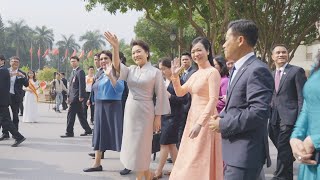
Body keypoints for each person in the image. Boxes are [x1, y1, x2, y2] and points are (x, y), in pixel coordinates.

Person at [209, 19, 274, 180]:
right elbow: (237, 105)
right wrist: (222, 115)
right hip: (237, 152)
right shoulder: (238, 69)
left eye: (226, 39)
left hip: (245, 153)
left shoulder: (257, 70)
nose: (223, 45)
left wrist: (223, 124)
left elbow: (258, 113)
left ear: (240, 40)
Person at [104, 32, 170, 180]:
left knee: (142, 149)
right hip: (130, 112)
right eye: (133, 53)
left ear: (147, 53)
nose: (136, 55)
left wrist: (158, 117)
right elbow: (116, 66)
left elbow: (161, 96)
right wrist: (115, 47)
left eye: (139, 51)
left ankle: (139, 177)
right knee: (133, 148)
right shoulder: (131, 69)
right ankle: (147, 176)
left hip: (146, 113)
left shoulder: (156, 72)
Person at [169, 37, 223, 180]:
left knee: (200, 158)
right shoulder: (195, 74)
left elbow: (213, 100)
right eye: (193, 51)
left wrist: (200, 123)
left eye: (199, 50)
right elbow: (180, 92)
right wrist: (174, 77)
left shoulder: (212, 72)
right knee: (189, 156)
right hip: (192, 118)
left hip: (205, 120)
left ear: (208, 51)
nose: (195, 54)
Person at [269, 44, 307, 180]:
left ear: (288, 55)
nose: (281, 55)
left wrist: (300, 121)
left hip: (290, 118)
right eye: (278, 53)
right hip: (274, 118)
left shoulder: (296, 71)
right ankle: (288, 174)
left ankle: (278, 177)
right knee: (284, 149)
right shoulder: (271, 74)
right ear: (272, 56)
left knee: (284, 147)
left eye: (284, 52)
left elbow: (302, 97)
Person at [83, 50, 125, 172]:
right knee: (99, 134)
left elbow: (120, 89)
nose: (103, 61)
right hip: (99, 106)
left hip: (113, 106)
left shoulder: (116, 71)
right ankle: (97, 164)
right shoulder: (100, 73)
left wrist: (111, 76)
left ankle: (128, 164)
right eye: (101, 59)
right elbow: (95, 88)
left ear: (112, 60)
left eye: (106, 58)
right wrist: (91, 99)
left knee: (118, 134)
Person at [154, 57, 187, 178]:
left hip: (174, 117)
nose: (161, 71)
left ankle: (158, 171)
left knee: (164, 143)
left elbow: (184, 99)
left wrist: (170, 96)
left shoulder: (178, 81)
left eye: (163, 69)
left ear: (170, 68)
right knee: (172, 145)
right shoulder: (163, 82)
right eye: (160, 69)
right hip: (164, 116)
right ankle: (178, 170)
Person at [290, 52, 320, 180]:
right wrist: (296, 137)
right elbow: (309, 104)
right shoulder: (316, 65)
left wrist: (316, 139)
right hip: (312, 159)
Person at [60, 56, 92, 138]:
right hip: (72, 96)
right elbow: (71, 86)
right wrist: (68, 97)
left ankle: (69, 132)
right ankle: (88, 130)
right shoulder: (73, 72)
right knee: (80, 115)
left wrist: (81, 96)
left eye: (74, 61)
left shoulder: (80, 71)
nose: (72, 63)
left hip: (77, 97)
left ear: (78, 62)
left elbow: (82, 84)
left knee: (70, 114)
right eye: (71, 61)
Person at [0, 54, 26, 147]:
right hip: (4, 99)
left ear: (2, 61)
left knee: (7, 119)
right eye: (13, 61)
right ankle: (8, 134)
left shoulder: (2, 70)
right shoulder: (4, 71)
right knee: (3, 119)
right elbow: (11, 74)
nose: (14, 63)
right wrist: (16, 73)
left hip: (4, 100)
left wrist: (21, 75)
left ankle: (18, 136)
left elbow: (13, 74)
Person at [177, 52, 197, 149]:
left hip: (189, 105)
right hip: (181, 105)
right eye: (183, 60)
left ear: (191, 60)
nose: (184, 61)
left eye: (186, 59)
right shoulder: (182, 74)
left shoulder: (194, 72)